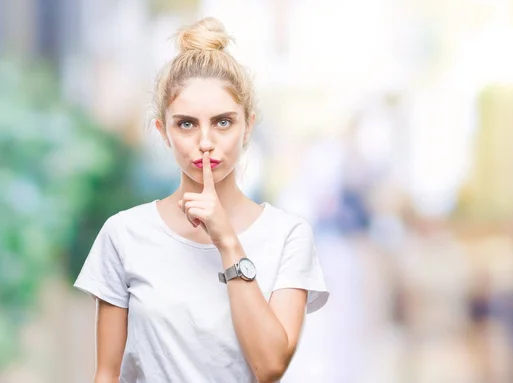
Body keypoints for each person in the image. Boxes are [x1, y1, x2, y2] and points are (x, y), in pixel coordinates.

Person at [73, 17, 329, 383]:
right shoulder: (123, 234)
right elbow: (107, 375)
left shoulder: (288, 235)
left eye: (223, 122)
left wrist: (227, 241)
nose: (205, 141)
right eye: (187, 124)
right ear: (163, 130)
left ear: (248, 127)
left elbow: (271, 365)